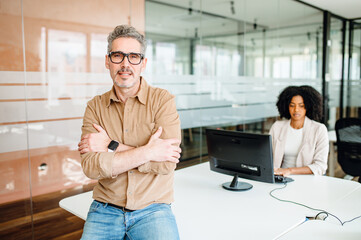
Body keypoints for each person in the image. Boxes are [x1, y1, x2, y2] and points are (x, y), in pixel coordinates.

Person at [77, 25, 182, 240]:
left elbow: (166, 163)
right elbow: (90, 167)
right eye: (118, 56)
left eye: (133, 56)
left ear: (143, 63)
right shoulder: (94, 107)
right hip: (105, 208)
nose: (125, 64)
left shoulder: (162, 101)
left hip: (154, 209)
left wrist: (110, 145)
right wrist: (150, 151)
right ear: (107, 61)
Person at [269, 85, 329, 176]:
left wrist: (290, 170)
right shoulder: (277, 127)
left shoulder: (319, 129)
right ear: (287, 106)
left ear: (308, 107)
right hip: (280, 177)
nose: (296, 110)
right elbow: (266, 156)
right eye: (292, 105)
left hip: (307, 180)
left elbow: (320, 166)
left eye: (301, 106)